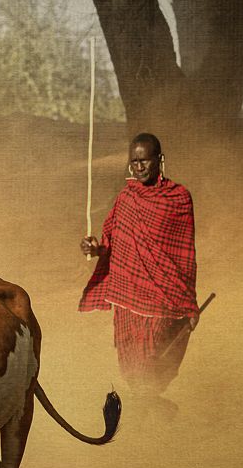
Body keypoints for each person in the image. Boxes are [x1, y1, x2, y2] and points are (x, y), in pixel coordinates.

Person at [79, 132, 200, 399]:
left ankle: (147, 418)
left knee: (152, 366)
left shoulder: (179, 198)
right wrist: (95, 248)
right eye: (134, 162)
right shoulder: (126, 199)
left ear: (160, 160)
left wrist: (190, 302)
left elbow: (185, 256)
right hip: (127, 298)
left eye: (144, 161)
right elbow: (111, 246)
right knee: (133, 372)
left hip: (161, 301)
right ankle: (150, 419)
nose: (139, 167)